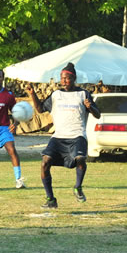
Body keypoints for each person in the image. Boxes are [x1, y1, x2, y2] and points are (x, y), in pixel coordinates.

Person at [27, 62, 101, 208]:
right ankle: (51, 200)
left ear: (73, 79)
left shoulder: (83, 94)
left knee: (80, 159)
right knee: (45, 162)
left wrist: (90, 107)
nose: (64, 81)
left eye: (67, 78)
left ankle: (78, 188)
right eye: (62, 78)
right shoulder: (56, 95)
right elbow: (40, 109)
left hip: (77, 135)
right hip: (59, 136)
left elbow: (98, 115)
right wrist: (32, 93)